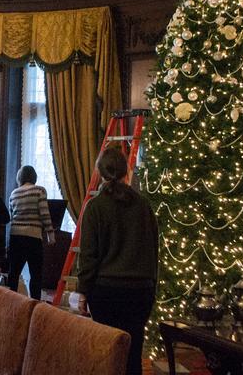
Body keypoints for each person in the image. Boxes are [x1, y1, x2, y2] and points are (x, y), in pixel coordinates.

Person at [76, 148, 159, 375]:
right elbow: (153, 249)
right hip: (141, 291)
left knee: (107, 355)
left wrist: (83, 291)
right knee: (133, 356)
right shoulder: (144, 205)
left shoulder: (95, 207)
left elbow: (89, 256)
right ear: (126, 171)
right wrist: (152, 286)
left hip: (106, 292)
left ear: (100, 173)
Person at [7, 165, 55, 299]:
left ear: (19, 178)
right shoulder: (39, 191)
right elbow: (44, 214)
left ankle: (10, 302)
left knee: (14, 273)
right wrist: (50, 234)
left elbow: (12, 217)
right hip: (33, 237)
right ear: (34, 177)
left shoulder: (13, 194)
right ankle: (34, 304)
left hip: (15, 236)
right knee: (36, 274)